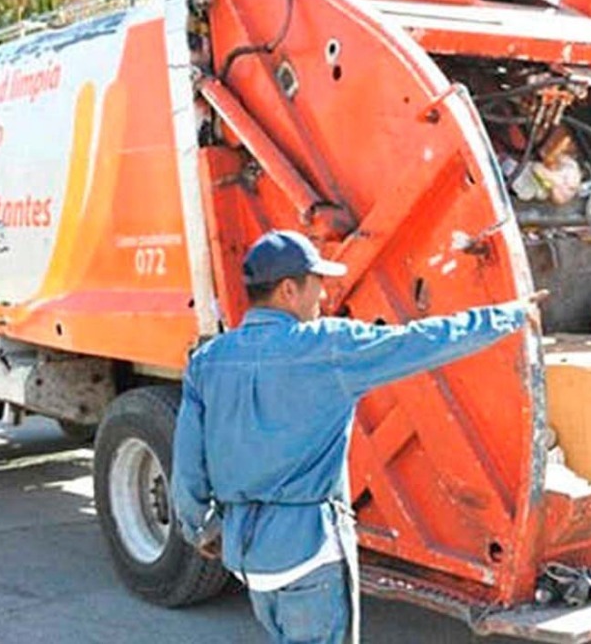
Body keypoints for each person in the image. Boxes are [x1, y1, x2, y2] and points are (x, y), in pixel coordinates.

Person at [171, 229, 544, 644]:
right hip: (308, 550)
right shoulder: (327, 347)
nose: (324, 296)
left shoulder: (208, 361)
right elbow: (421, 342)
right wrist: (508, 316)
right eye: (318, 284)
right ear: (289, 289)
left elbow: (188, 466)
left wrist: (200, 530)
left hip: (248, 555)